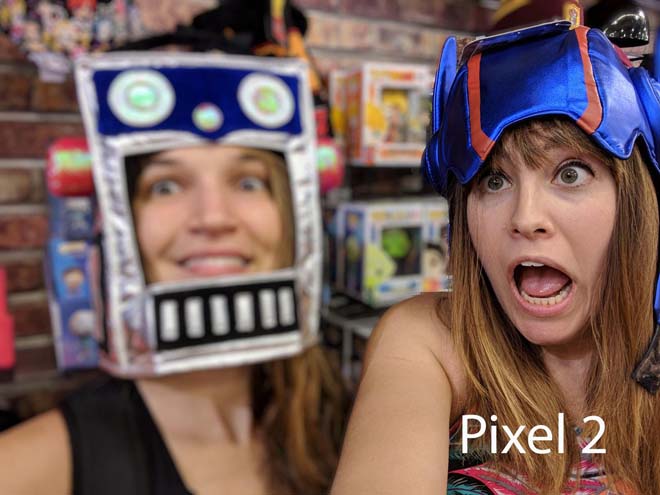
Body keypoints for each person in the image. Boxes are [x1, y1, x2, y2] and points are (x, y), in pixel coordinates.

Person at [331, 20, 660, 494]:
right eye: (494, 180)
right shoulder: (431, 342)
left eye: (570, 174)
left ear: (635, 204)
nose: (525, 218)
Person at [0, 53, 348, 495]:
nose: (214, 217)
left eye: (248, 182)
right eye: (165, 186)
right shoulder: (31, 469)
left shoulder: (348, 419)